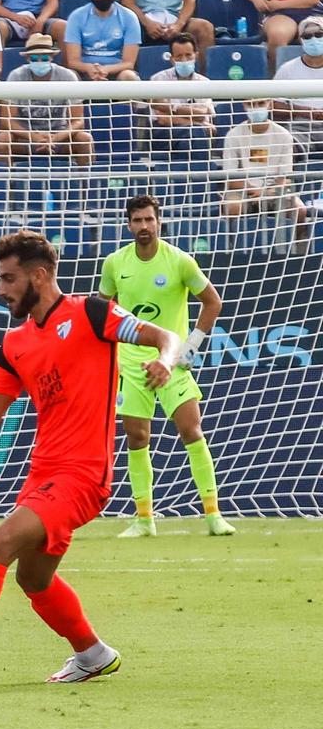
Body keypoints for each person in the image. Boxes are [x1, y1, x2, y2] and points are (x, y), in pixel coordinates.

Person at [0, 230, 183, 688]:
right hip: (43, 474)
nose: (0, 290)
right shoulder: (13, 345)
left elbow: (164, 336)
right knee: (34, 579)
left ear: (39, 276)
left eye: (8, 279)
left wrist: (165, 359)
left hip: (85, 475)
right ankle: (93, 653)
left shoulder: (92, 313)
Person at [100, 195, 236, 538]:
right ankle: (144, 519)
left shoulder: (179, 261)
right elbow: (103, 310)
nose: (144, 227)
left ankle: (213, 515)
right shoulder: (115, 263)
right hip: (131, 360)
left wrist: (190, 347)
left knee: (191, 430)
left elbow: (212, 302)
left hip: (171, 359)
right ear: (128, 224)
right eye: (137, 221)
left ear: (159, 222)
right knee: (136, 436)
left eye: (149, 220)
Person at [0, 32, 94, 162]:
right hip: (25, 138)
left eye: (45, 57)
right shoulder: (16, 76)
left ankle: (87, 182)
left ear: (52, 57)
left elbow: (78, 120)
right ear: (28, 58)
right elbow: (6, 120)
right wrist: (33, 137)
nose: (40, 61)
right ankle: (4, 182)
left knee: (85, 139)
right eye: (35, 58)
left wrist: (55, 138)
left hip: (60, 138)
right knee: (3, 139)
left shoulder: (68, 76)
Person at [221, 98, 307, 231]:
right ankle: (231, 247)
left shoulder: (283, 135)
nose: (255, 108)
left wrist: (267, 192)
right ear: (244, 105)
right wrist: (254, 190)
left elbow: (285, 178)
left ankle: (300, 248)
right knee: (232, 206)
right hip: (242, 191)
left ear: (270, 104)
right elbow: (231, 178)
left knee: (299, 209)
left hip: (275, 191)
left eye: (260, 103)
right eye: (251, 104)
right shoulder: (233, 135)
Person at [62, 0, 144, 79]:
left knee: (128, 76)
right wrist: (90, 68)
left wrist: (106, 70)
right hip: (85, 71)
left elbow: (129, 63)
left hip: (117, 70)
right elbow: (73, 61)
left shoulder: (129, 17)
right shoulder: (76, 16)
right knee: (70, 76)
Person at [145, 34, 219, 154]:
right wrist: (194, 121)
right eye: (179, 57)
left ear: (196, 55)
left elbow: (203, 113)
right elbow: (163, 120)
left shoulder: (204, 82)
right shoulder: (158, 79)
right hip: (164, 134)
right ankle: (199, 171)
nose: (184, 60)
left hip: (196, 133)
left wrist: (170, 109)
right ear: (172, 59)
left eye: (188, 55)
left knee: (194, 136)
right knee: (195, 133)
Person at [272, 13, 323, 148]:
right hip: (300, 126)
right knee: (285, 147)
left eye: (319, 34)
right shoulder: (287, 69)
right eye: (307, 36)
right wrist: (303, 111)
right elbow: (274, 105)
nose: (314, 39)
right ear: (301, 40)